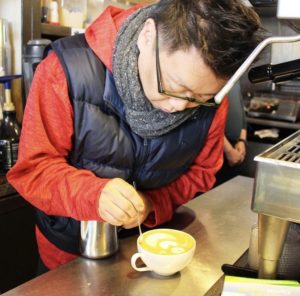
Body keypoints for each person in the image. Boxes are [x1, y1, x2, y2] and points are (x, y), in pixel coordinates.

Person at [7, 0, 263, 271]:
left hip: (154, 252)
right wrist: (93, 194)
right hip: (67, 259)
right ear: (147, 35)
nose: (179, 106)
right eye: (175, 86)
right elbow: (33, 169)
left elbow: (202, 173)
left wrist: (151, 204)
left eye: (199, 98)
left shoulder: (212, 101)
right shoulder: (65, 69)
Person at [214, 82, 248, 186]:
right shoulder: (215, 82)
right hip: (219, 149)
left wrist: (242, 141)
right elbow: (212, 122)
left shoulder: (235, 80)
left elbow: (242, 111)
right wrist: (229, 151)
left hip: (236, 147)